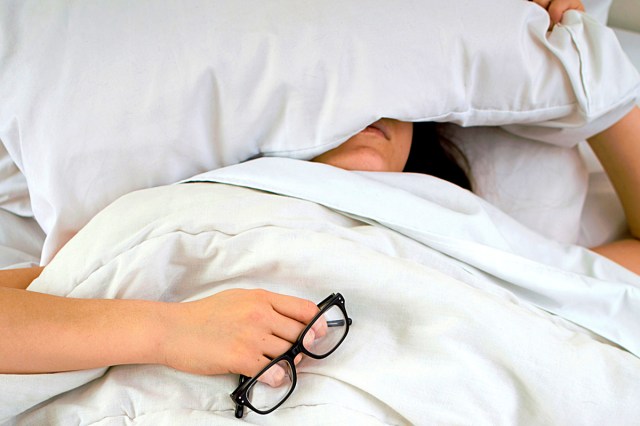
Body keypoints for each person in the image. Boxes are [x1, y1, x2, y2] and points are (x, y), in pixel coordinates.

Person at [1, 0, 635, 380]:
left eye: (393, 97)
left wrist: (582, 62)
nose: (373, 111)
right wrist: (169, 331)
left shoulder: (465, 234)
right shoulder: (200, 217)